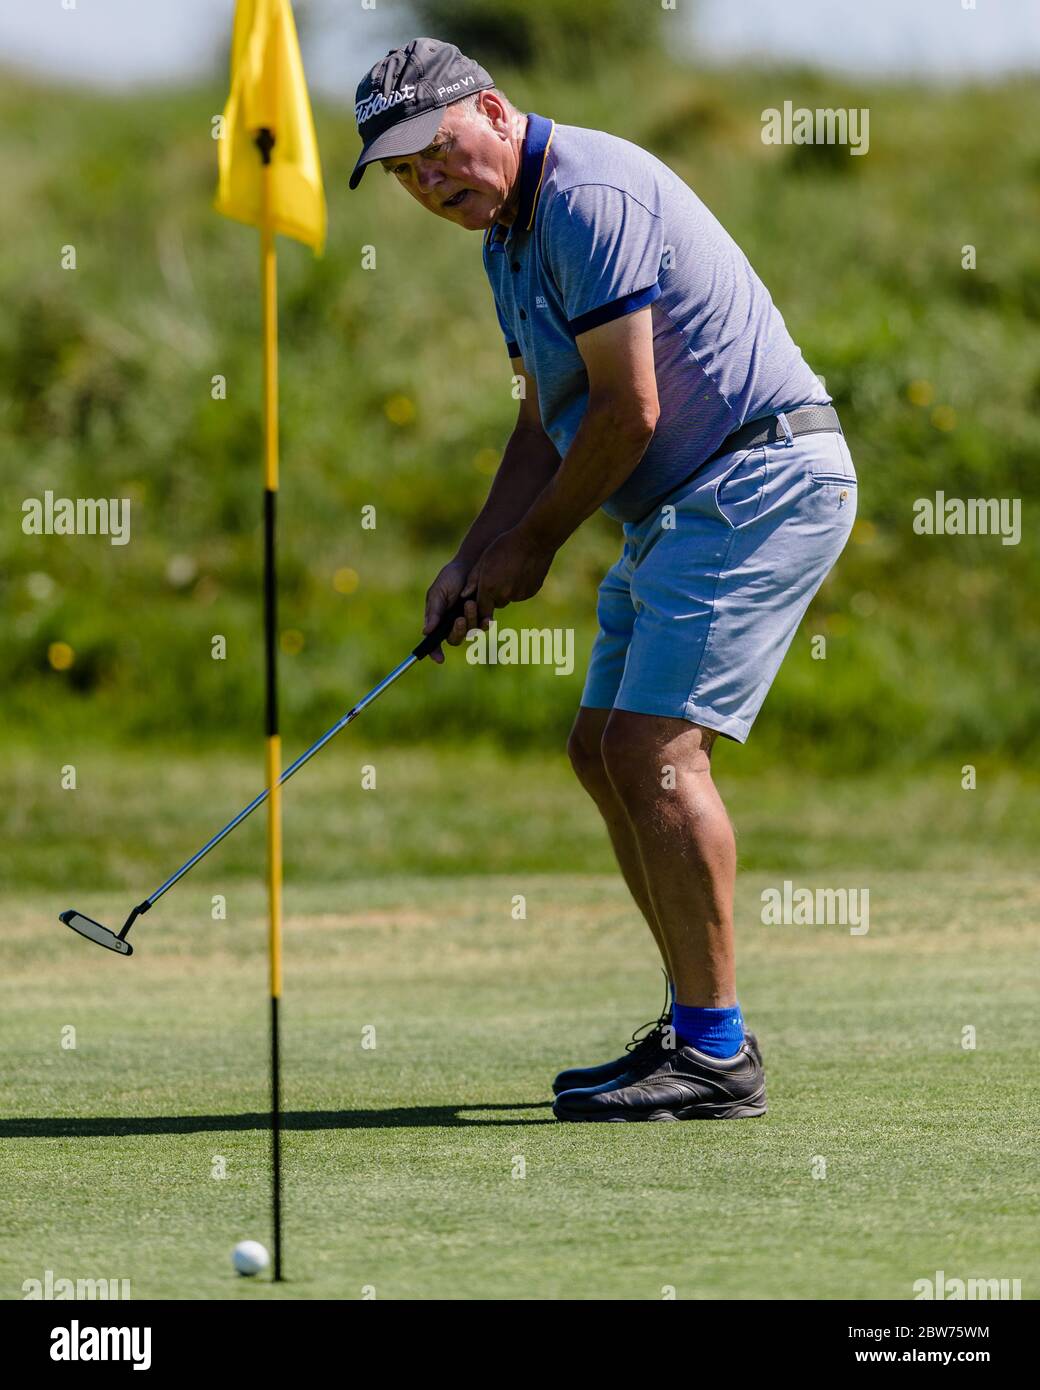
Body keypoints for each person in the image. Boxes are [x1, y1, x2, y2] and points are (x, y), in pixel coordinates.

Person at [349, 38, 857, 1121]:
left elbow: (629, 411)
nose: (430, 184)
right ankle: (691, 1029)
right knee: (600, 749)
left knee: (653, 750)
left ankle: (716, 1053)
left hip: (753, 478)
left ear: (490, 110)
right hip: (682, 505)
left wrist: (528, 549)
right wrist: (472, 553)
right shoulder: (508, 240)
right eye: (404, 176)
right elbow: (545, 416)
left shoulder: (585, 192)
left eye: (436, 153)